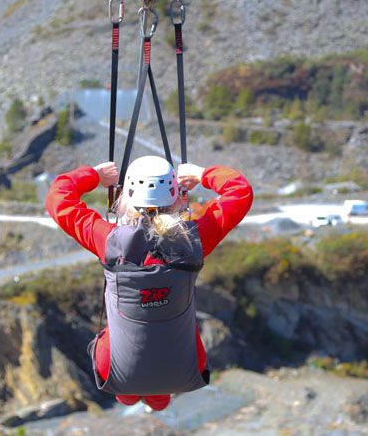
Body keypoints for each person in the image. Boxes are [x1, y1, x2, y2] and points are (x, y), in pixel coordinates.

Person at [45, 155, 252, 411]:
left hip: (116, 371)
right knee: (172, 336)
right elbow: (240, 191)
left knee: (119, 338)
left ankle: (130, 395)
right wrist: (202, 174)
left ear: (126, 198)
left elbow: (57, 198)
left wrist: (94, 176)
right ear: (178, 196)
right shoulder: (194, 241)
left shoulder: (108, 240)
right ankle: (158, 397)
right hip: (185, 368)